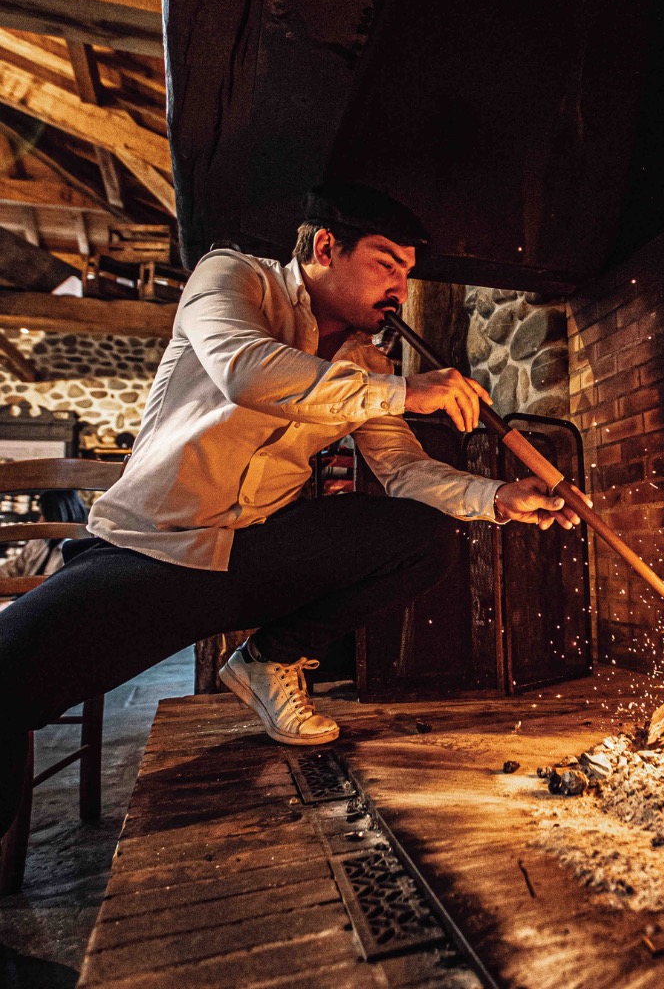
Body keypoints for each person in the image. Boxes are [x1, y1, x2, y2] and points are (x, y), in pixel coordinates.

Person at [0, 182, 582, 838]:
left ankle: (270, 659)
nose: (400, 288)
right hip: (152, 552)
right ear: (327, 247)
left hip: (257, 554)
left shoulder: (363, 359)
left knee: (423, 537)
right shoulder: (233, 280)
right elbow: (246, 370)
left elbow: (403, 469)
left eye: (408, 274)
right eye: (387, 264)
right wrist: (404, 390)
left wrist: (498, 497)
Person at [0, 490, 88, 580]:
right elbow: (13, 570)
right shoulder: (38, 542)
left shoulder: (78, 552)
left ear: (58, 515)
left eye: (42, 514)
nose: (39, 521)